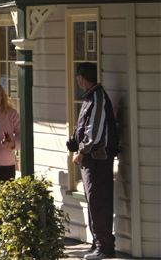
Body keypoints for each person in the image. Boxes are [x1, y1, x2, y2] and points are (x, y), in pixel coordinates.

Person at [68, 62, 118, 260]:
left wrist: (82, 150)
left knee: (98, 201)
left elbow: (94, 131)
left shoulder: (97, 98)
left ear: (81, 77)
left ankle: (104, 247)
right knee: (94, 200)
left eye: (77, 77)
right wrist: (73, 143)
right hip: (93, 159)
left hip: (98, 159)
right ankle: (98, 243)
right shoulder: (92, 97)